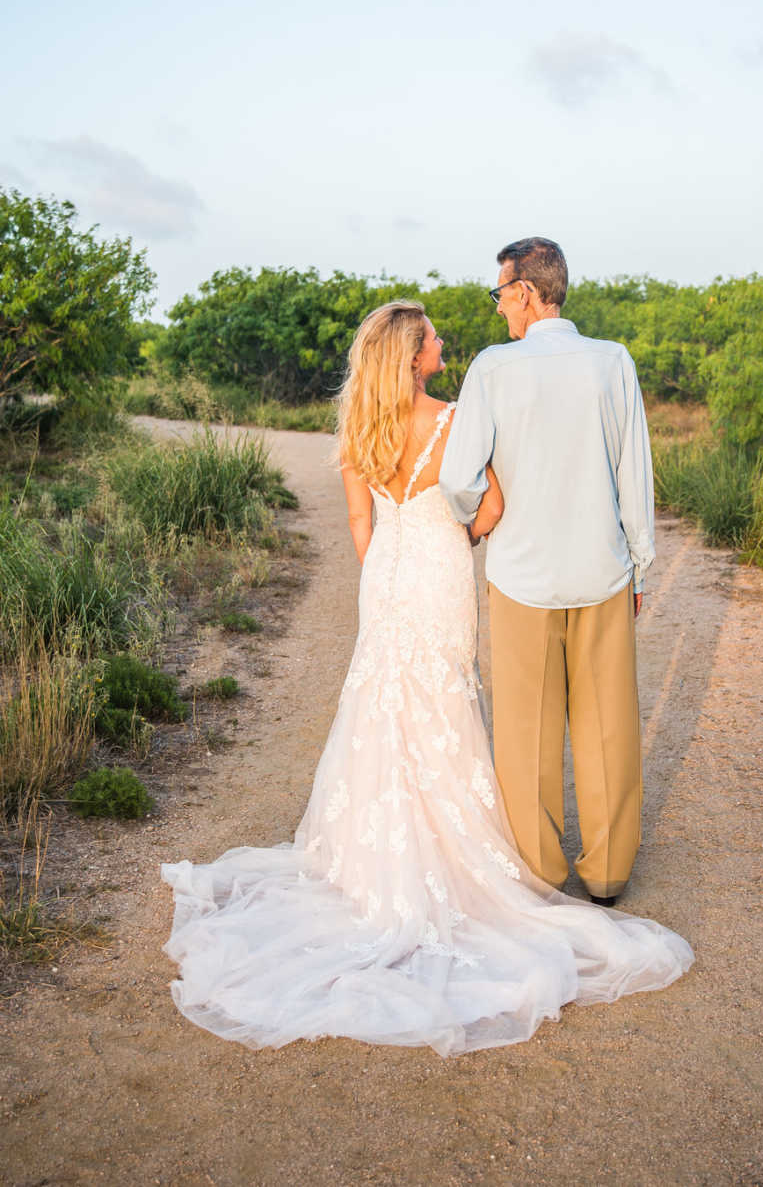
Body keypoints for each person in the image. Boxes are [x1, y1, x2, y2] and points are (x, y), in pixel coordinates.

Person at [160, 300, 692, 1057]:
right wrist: (464, 536)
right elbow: (490, 507)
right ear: (414, 356)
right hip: (441, 572)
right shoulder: (451, 419)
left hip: (386, 575)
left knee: (380, 702)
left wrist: (383, 565)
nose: (445, 341)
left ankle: (372, 856)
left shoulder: (358, 428)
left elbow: (357, 522)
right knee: (445, 697)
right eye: (434, 336)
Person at [440, 237, 652, 907]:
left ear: (527, 292)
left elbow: (458, 479)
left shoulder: (494, 369)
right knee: (609, 726)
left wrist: (481, 518)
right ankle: (609, 872)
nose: (500, 307)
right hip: (602, 570)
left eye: (501, 293)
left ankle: (542, 870)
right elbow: (634, 473)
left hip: (522, 577)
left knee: (526, 734)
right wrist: (640, 568)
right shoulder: (611, 362)